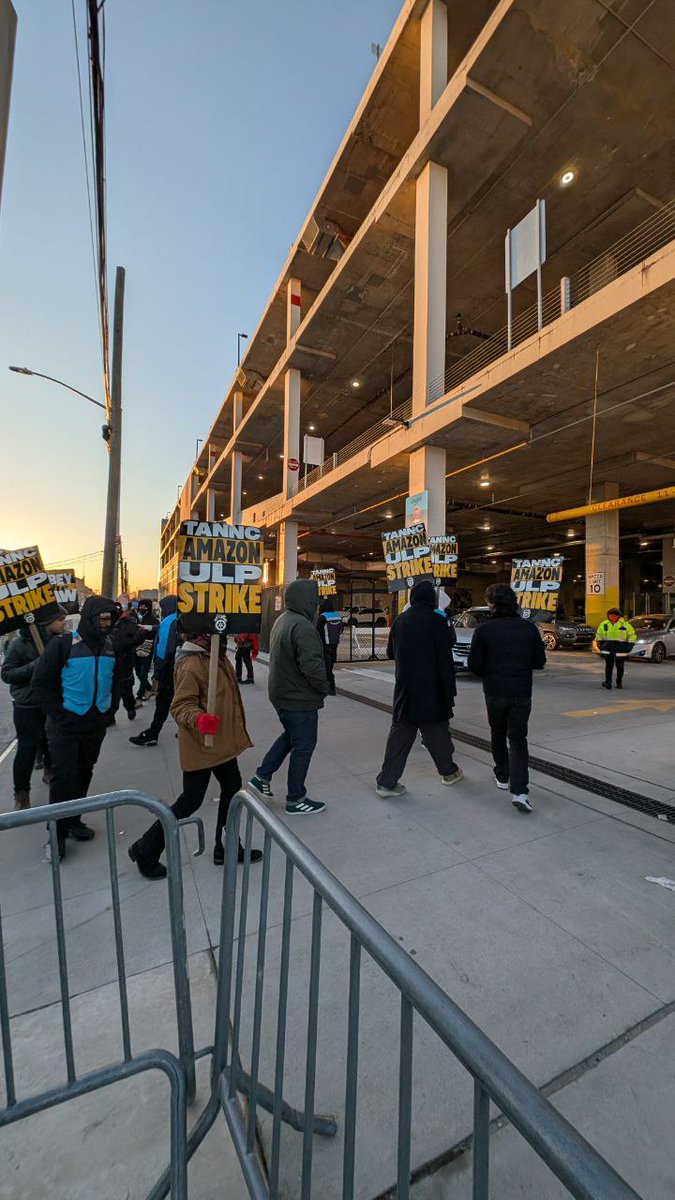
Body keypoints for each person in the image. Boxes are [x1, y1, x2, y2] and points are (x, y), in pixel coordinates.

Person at [128, 631, 262, 878]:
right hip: (202, 744)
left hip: (221, 744)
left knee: (232, 789)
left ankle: (227, 846)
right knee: (190, 801)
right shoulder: (192, 664)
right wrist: (199, 719)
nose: (223, 639)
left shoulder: (215, 656)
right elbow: (180, 705)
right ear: (201, 636)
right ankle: (146, 848)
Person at [33, 595, 118, 857]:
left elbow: (115, 682)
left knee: (85, 772)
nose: (106, 624)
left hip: (95, 725)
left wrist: (109, 711)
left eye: (110, 619)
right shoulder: (63, 644)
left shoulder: (110, 646)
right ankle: (56, 833)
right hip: (65, 727)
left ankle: (72, 820)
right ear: (89, 618)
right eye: (102, 618)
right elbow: (41, 683)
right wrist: (58, 715)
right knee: (64, 776)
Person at [249, 578, 329, 815]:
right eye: (314, 600)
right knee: (304, 745)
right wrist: (324, 687)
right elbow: (312, 666)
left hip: (282, 694)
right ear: (306, 600)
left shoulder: (283, 620)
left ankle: (262, 775)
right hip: (298, 698)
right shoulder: (303, 627)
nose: (316, 605)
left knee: (291, 736)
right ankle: (296, 798)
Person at [375, 579, 462, 798]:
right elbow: (447, 649)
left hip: (405, 688)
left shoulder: (400, 621)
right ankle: (449, 772)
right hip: (432, 688)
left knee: (400, 734)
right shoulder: (437, 620)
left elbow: (390, 653)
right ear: (431, 599)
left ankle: (387, 782)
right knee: (437, 733)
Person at [467, 584, 546, 814]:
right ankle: (520, 791)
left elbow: (474, 665)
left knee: (498, 733)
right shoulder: (529, 629)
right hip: (521, 692)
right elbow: (539, 661)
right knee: (519, 739)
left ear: (491, 604)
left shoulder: (483, 630)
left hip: (494, 691)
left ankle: (502, 775)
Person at [1, 607, 67, 809]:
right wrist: (39, 665)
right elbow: (7, 674)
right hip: (27, 705)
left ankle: (49, 771)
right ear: (45, 622)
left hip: (50, 701)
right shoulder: (18, 645)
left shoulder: (59, 642)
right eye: (60, 619)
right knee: (27, 748)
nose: (64, 622)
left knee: (50, 742)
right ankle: (21, 793)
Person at [129, 595, 179, 747]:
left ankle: (153, 733)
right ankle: (158, 732)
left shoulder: (169, 622)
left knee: (164, 703)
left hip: (168, 670)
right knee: (179, 701)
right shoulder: (180, 619)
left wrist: (158, 672)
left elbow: (163, 649)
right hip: (181, 669)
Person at [108, 604, 143, 725]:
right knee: (111, 690)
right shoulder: (107, 623)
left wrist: (125, 644)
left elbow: (139, 637)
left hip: (124, 661)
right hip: (109, 661)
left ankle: (130, 707)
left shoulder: (130, 623)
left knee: (125, 689)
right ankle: (110, 716)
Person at [595, 608, 637, 689]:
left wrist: (629, 646)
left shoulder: (625, 625)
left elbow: (632, 635)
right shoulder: (604, 624)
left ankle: (619, 682)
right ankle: (608, 683)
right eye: (611, 615)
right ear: (608, 615)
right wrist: (600, 646)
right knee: (609, 666)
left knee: (620, 667)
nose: (613, 617)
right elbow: (599, 635)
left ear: (619, 616)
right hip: (608, 649)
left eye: (615, 615)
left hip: (620, 649)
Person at [316, 597, 342, 696]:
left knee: (326, 669)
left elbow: (317, 631)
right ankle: (328, 686)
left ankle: (331, 688)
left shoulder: (322, 617)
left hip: (324, 646)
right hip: (335, 645)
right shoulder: (338, 616)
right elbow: (341, 630)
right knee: (329, 667)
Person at [134, 599, 159, 701]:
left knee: (144, 672)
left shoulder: (153, 620)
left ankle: (140, 694)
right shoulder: (134, 618)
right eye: (141, 606)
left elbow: (156, 631)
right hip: (135, 648)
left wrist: (145, 630)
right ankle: (149, 688)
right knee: (138, 671)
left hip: (147, 648)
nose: (142, 609)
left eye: (145, 607)